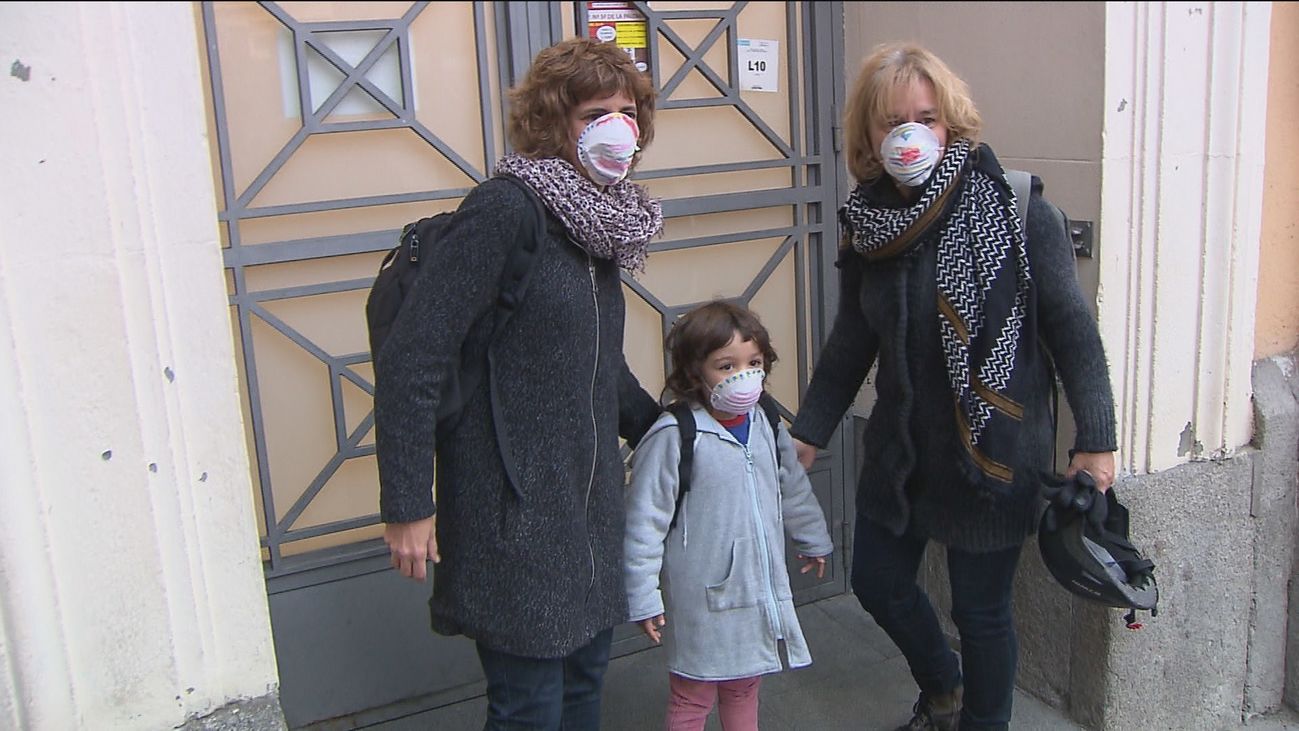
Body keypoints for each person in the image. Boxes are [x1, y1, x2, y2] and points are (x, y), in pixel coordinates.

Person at [787, 42, 1118, 731]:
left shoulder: (1016, 211)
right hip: (902, 454)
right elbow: (852, 339)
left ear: (951, 123)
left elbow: (1071, 330)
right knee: (876, 581)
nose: (909, 134)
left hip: (989, 452)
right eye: (890, 122)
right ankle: (943, 684)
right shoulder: (867, 226)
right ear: (869, 138)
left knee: (981, 612)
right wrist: (811, 427)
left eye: (926, 117)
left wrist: (1095, 439)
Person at [372, 37, 664, 730]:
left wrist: (671, 432)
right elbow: (416, 356)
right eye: (595, 110)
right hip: (512, 508)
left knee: (585, 682)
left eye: (627, 110)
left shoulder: (599, 222)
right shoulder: (506, 210)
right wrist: (408, 501)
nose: (616, 126)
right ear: (549, 120)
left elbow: (595, 363)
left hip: (587, 507)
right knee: (530, 707)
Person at [623, 300, 834, 731]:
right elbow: (644, 523)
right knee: (692, 694)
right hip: (701, 598)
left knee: (744, 687)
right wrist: (643, 595)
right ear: (693, 372)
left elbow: (790, 485)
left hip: (756, 589)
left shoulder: (766, 421)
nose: (744, 375)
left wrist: (813, 537)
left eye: (753, 362)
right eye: (726, 365)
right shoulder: (674, 436)